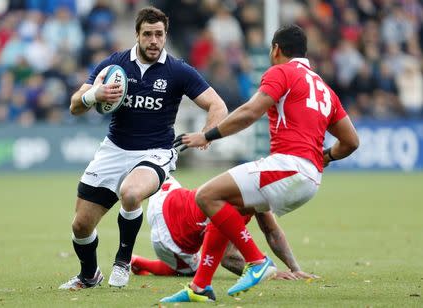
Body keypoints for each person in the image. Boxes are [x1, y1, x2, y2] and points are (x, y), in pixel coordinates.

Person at [162, 24, 359, 302]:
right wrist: (324, 157)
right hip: (309, 176)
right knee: (226, 206)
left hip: (289, 166)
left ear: (276, 49)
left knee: (207, 195)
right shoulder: (324, 88)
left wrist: (206, 135)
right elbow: (351, 141)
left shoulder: (281, 71)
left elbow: (249, 111)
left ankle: (256, 261)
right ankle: (200, 287)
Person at [59, 6, 227, 290]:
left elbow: (217, 105)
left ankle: (123, 261)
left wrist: (206, 134)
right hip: (114, 149)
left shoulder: (178, 70)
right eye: (147, 34)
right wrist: (93, 95)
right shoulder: (114, 65)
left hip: (155, 152)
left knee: (131, 192)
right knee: (81, 225)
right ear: (137, 35)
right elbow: (75, 105)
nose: (153, 40)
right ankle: (89, 275)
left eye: (159, 34)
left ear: (165, 35)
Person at [131, 176, 317, 281]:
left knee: (154, 165)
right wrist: (272, 275)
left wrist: (295, 269)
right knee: (191, 270)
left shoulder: (252, 187)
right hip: (167, 233)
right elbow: (227, 258)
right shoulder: (232, 209)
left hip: (167, 192)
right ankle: (137, 261)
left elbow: (272, 232)